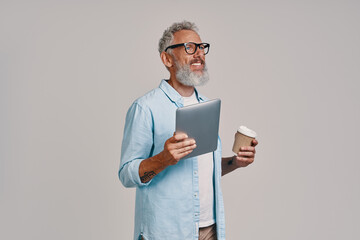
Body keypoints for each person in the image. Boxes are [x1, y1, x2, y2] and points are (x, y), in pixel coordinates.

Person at [119, 21, 258, 240]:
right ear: (167, 59)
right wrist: (164, 158)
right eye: (189, 47)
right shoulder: (145, 108)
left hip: (209, 230)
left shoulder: (205, 106)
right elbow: (126, 174)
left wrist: (235, 162)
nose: (199, 54)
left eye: (202, 47)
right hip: (166, 232)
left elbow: (201, 170)